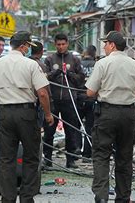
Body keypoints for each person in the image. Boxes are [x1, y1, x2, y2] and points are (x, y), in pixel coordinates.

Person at [0, 31, 54, 203]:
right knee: (31, 157)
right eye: (28, 46)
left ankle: (8, 199)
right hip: (26, 114)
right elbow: (42, 93)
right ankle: (27, 198)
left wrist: (1, 96)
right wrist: (48, 115)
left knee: (6, 159)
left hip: (5, 114)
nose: (28, 49)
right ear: (23, 46)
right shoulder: (30, 65)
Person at [86, 31, 135, 203]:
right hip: (128, 115)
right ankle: (122, 198)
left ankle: (101, 196)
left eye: (105, 43)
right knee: (125, 158)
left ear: (112, 45)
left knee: (101, 155)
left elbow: (90, 92)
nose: (104, 47)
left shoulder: (103, 63)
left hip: (106, 113)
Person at [43, 33, 85, 169]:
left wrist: (71, 75)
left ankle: (70, 160)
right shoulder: (50, 59)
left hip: (69, 100)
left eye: (63, 44)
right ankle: (47, 158)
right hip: (53, 100)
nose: (61, 47)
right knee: (49, 130)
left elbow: (81, 79)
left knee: (70, 131)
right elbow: (43, 78)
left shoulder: (74, 60)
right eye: (58, 44)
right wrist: (55, 73)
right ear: (55, 45)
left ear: (67, 44)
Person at [75, 45, 97, 162]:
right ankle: (87, 154)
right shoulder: (97, 65)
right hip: (91, 98)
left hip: (79, 97)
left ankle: (77, 148)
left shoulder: (78, 64)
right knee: (90, 127)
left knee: (76, 125)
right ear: (94, 53)